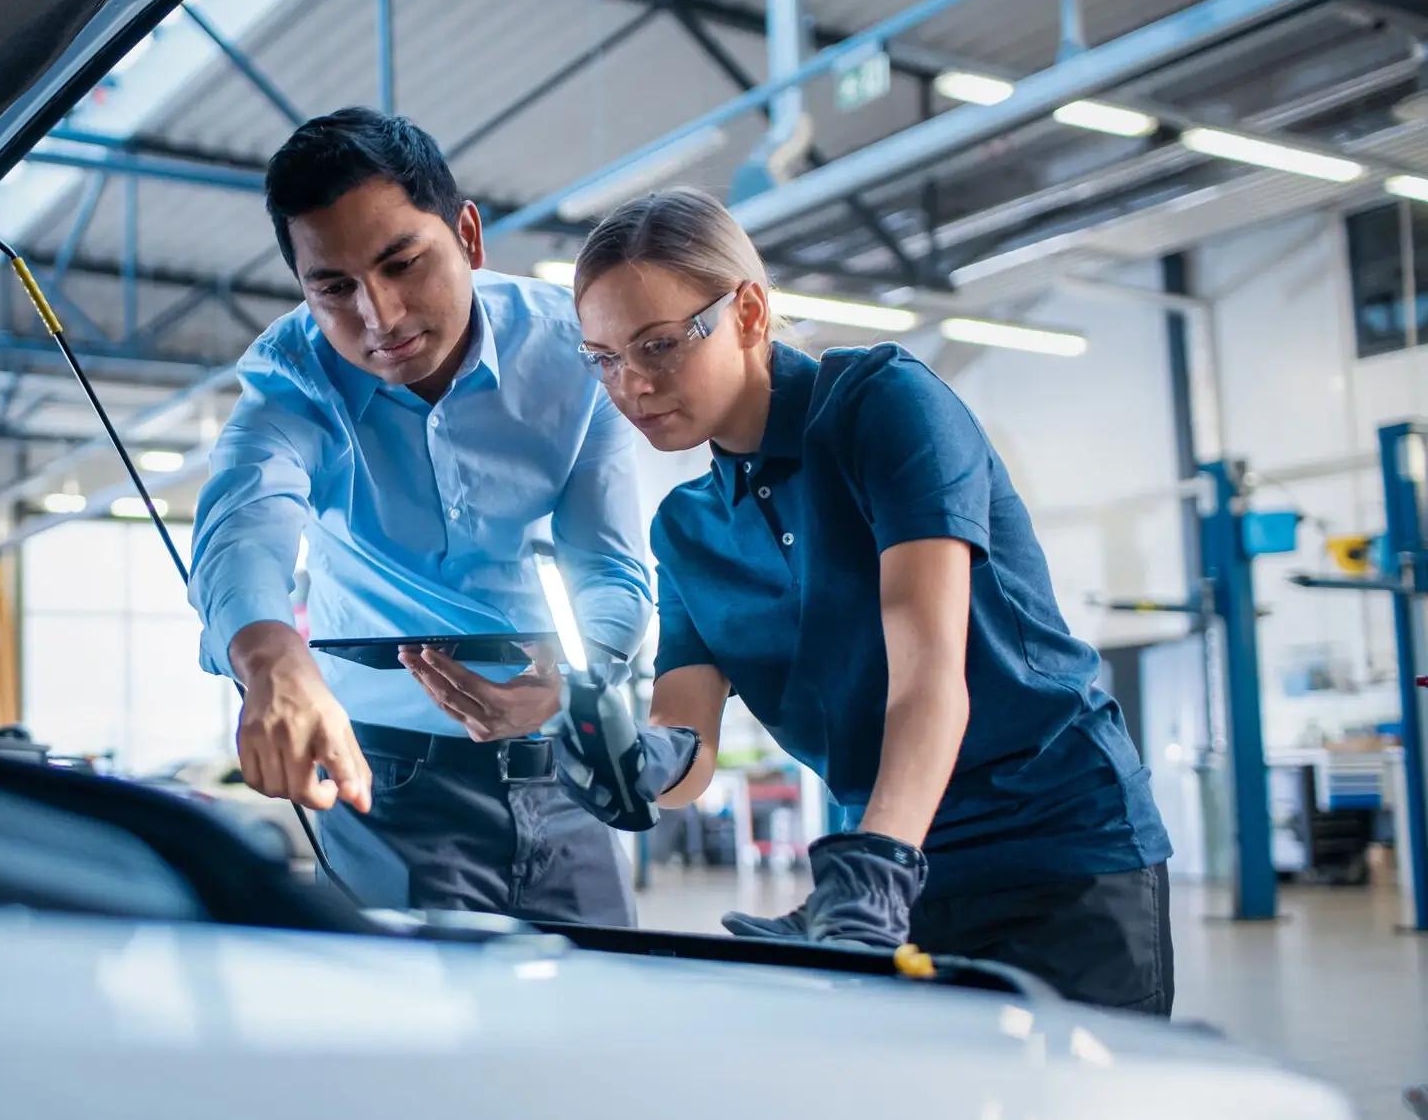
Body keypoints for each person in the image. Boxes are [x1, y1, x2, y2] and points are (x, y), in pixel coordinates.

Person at [442, 186, 1173, 1013]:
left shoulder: (883, 407)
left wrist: (874, 865)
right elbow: (692, 744)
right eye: (603, 359)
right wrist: (630, 759)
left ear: (749, 312)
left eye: (658, 344)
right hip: (894, 875)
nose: (631, 385)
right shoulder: (685, 530)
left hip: (1055, 849)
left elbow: (929, 673)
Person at [187, 107, 653, 925]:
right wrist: (269, 656)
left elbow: (612, 570)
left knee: (603, 1019)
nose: (380, 317)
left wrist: (572, 677)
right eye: (332, 289)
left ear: (468, 234)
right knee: (414, 1029)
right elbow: (245, 515)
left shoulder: (575, 353)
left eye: (403, 263)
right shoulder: (296, 373)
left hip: (566, 765)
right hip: (386, 787)